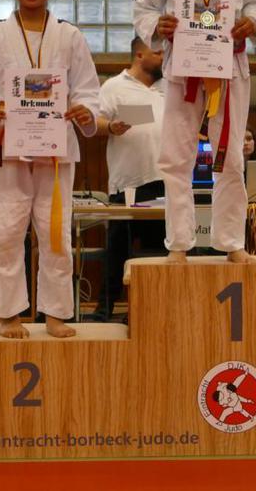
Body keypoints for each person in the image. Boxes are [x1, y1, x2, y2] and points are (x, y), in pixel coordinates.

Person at [133, 0, 256, 264]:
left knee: (230, 156)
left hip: (228, 69)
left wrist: (251, 23)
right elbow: (144, 8)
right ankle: (179, 242)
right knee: (176, 156)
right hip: (183, 70)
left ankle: (231, 241)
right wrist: (158, 25)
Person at [0, 0, 99, 340]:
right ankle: (9, 314)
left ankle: (55, 313)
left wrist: (85, 110)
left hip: (56, 149)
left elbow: (87, 88)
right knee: (7, 231)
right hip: (10, 148)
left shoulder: (69, 36)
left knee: (55, 232)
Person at [91, 36, 166, 321]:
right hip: (128, 182)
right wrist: (111, 126)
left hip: (163, 180)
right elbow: (93, 122)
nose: (163, 58)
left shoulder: (169, 87)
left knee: (156, 252)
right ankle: (103, 311)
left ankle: (148, 312)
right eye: (157, 53)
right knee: (118, 250)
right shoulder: (114, 87)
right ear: (139, 55)